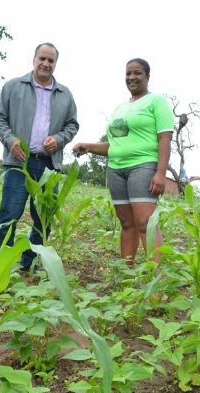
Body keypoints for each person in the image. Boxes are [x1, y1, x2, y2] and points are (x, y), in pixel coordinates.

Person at [73, 58, 174, 266]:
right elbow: (115, 144)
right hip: (116, 170)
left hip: (143, 167)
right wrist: (89, 146)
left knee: (145, 223)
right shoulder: (120, 108)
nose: (132, 77)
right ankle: (126, 276)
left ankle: (157, 283)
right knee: (127, 223)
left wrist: (160, 173)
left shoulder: (157, 102)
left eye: (137, 73)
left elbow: (165, 138)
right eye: (128, 73)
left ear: (147, 77)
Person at [0, 42, 79, 272]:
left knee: (43, 220)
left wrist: (59, 139)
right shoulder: (13, 87)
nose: (45, 63)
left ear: (55, 64)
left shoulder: (65, 94)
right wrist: (10, 140)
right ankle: (2, 267)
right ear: (33, 60)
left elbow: (72, 125)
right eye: (42, 58)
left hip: (49, 167)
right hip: (18, 164)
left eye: (51, 60)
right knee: (9, 215)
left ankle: (28, 264)